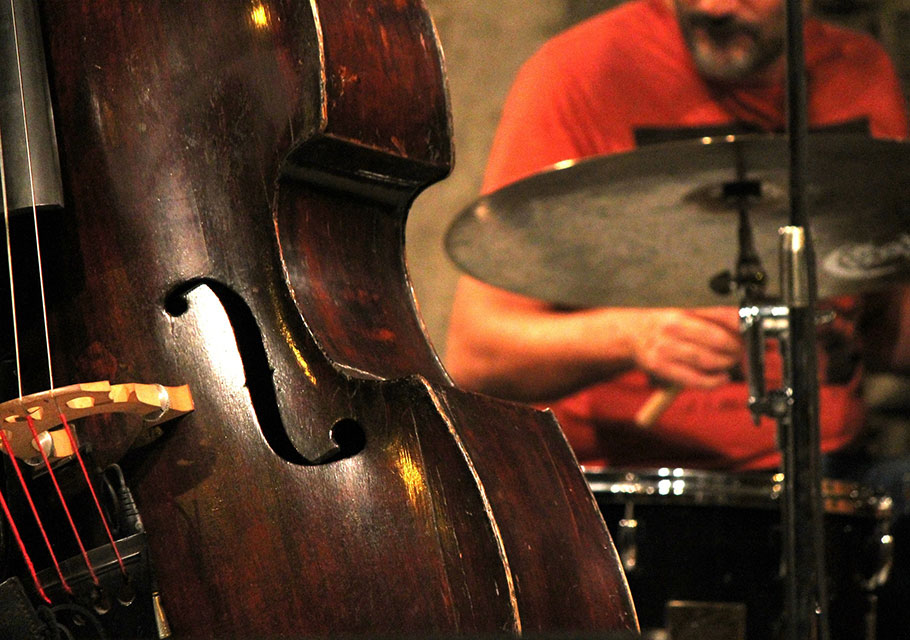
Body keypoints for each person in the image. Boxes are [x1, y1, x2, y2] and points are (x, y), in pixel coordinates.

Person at [444, 0, 909, 472]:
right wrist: (632, 335)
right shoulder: (583, 72)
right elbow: (476, 355)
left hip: (836, 471)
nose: (714, 6)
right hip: (643, 489)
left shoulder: (862, 71)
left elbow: (889, 324)